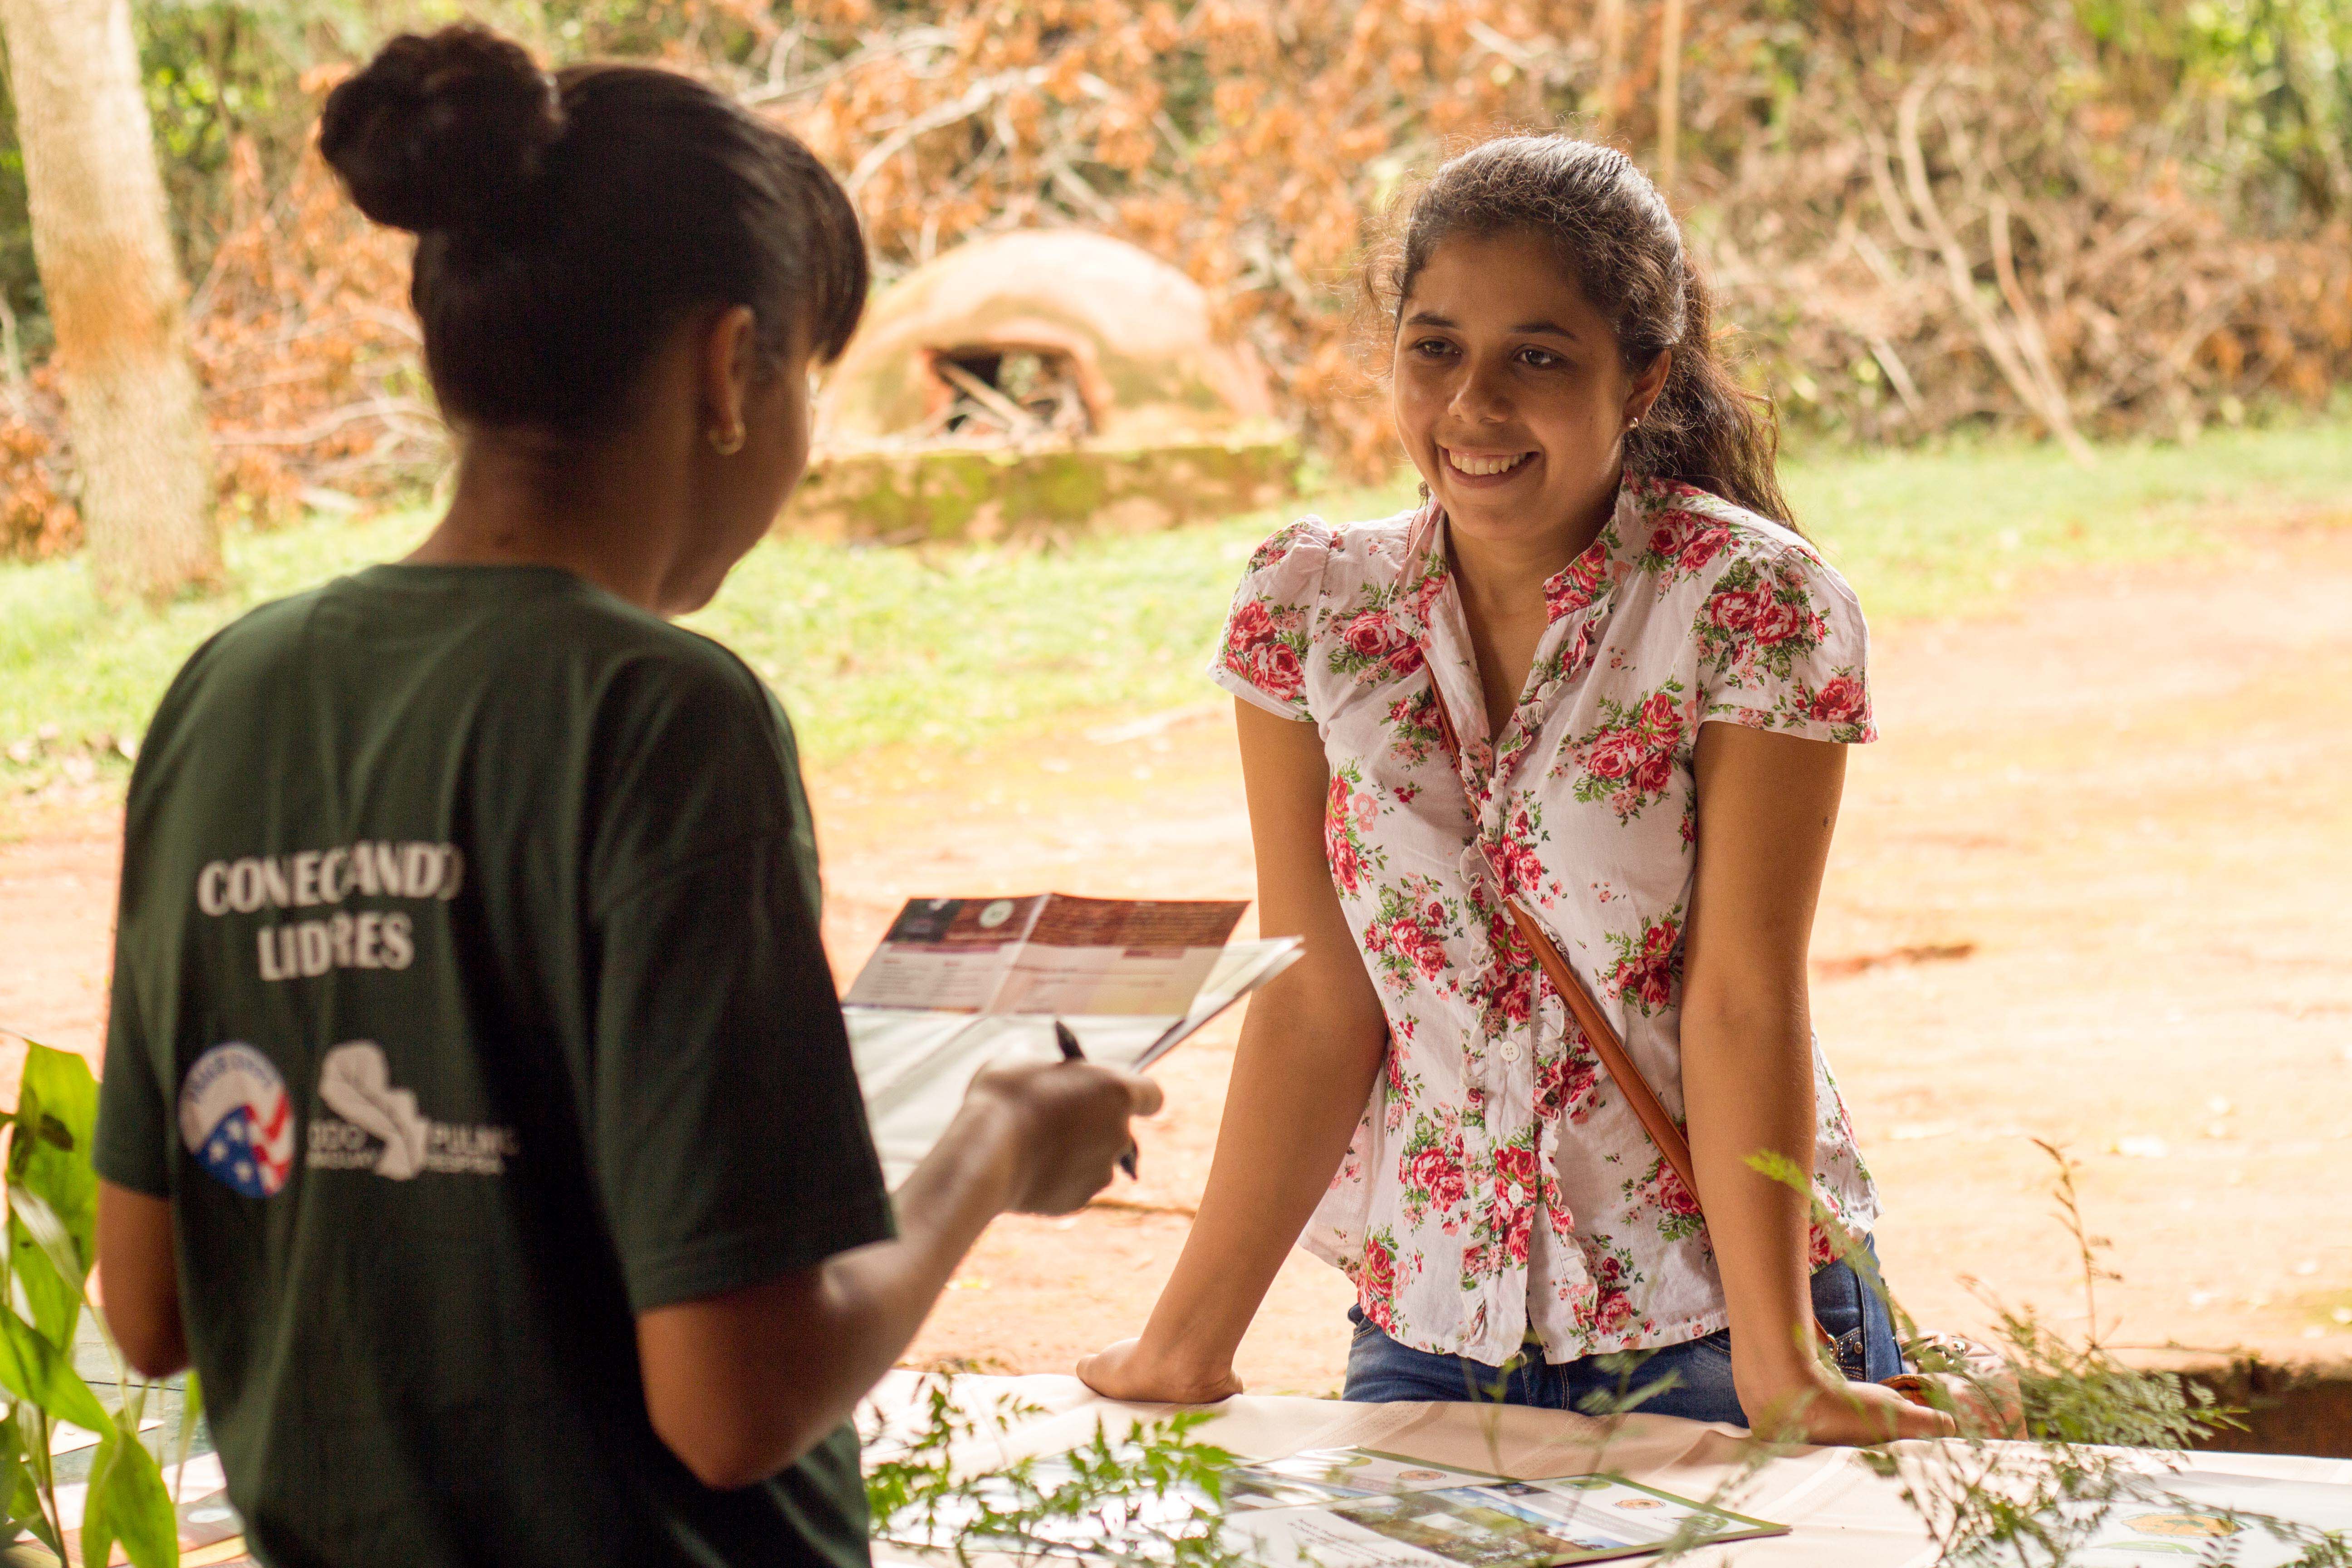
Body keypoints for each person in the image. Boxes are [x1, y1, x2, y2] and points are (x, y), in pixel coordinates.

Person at [90, 26, 1158, 1567]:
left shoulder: (227, 695)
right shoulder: (664, 713)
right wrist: (992, 1150)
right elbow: (732, 1403)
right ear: (729, 369)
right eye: (800, 375)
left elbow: (150, 1306)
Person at [1079, 136, 1952, 1444]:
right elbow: (1320, 995)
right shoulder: (1309, 608)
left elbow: (1742, 995)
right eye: (1436, 348)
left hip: (1708, 1320)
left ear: (1643, 377)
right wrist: (1187, 1344)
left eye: (1537, 357)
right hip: (1430, 1330)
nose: (1474, 406)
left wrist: (1780, 1368)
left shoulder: (1752, 605)